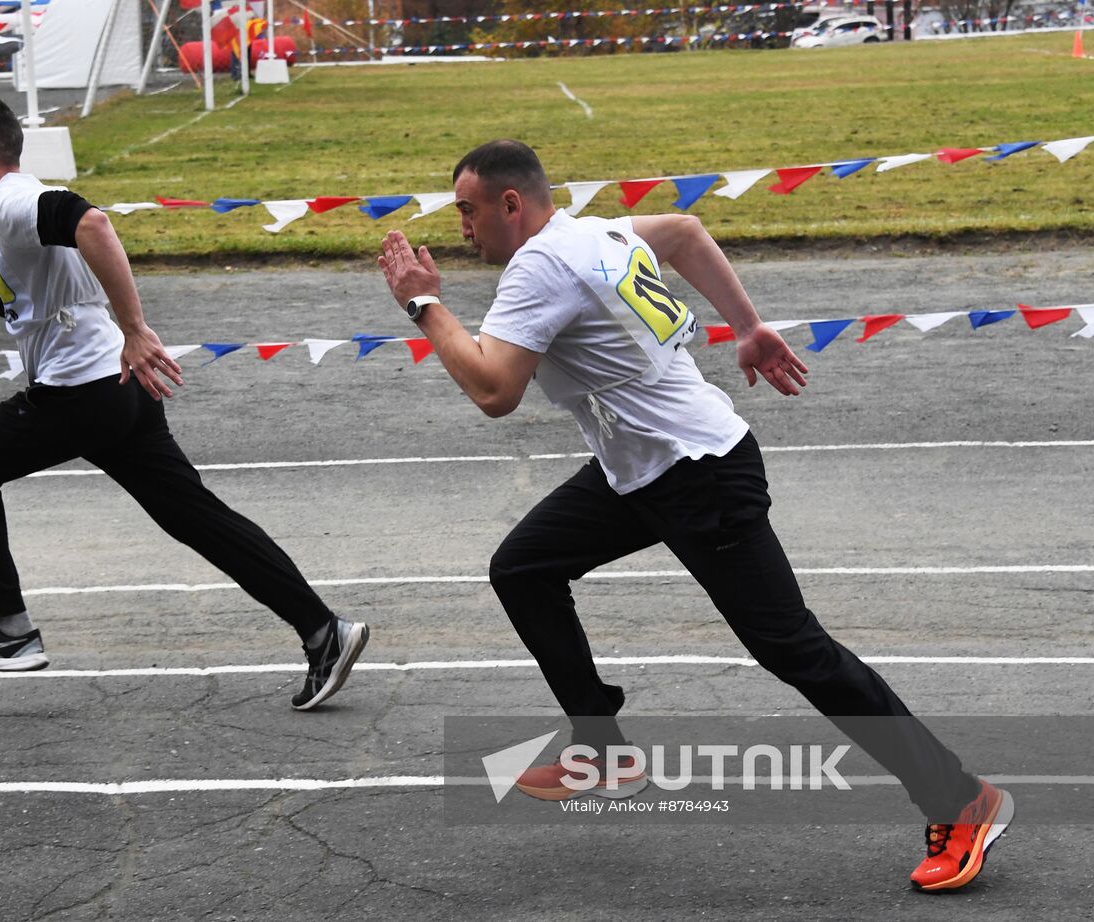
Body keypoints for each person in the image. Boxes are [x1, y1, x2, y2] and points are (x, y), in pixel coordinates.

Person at [376, 139, 1011, 891]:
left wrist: (423, 302)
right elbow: (682, 232)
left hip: (698, 477)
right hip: (641, 471)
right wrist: (747, 325)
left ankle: (961, 798)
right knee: (523, 567)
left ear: (512, 204)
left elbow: (493, 391)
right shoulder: (593, 232)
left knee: (795, 650)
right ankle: (605, 752)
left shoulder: (540, 265)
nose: (462, 229)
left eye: (468, 210)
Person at [0, 97, 366, 710]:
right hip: (119, 392)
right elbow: (3, 299)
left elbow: (94, 223)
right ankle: (325, 631)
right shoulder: (4, 211)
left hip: (81, 392)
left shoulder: (11, 201)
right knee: (195, 517)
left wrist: (137, 327)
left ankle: (12, 632)